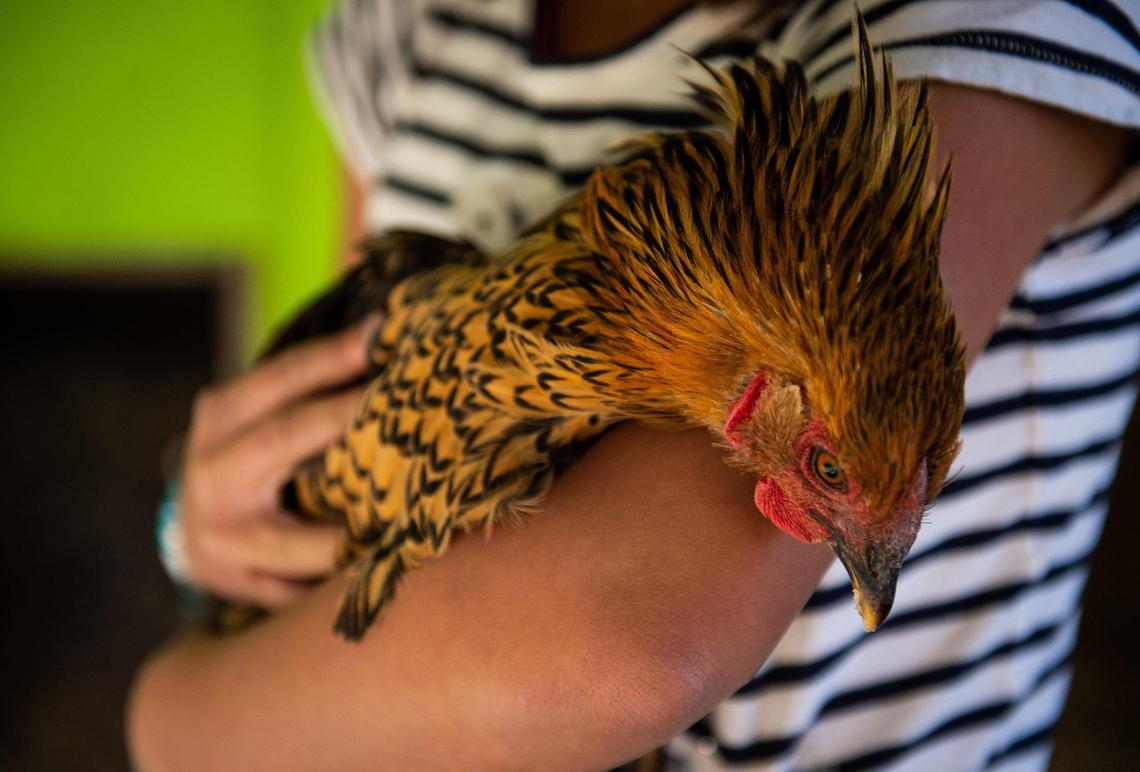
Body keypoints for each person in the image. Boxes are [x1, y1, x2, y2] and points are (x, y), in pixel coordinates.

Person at [128, 1, 1138, 769]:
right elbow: (332, 413)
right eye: (829, 467)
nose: (873, 568)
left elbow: (625, 650)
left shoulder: (987, 17)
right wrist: (194, 525)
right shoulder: (412, 23)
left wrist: (169, 713)